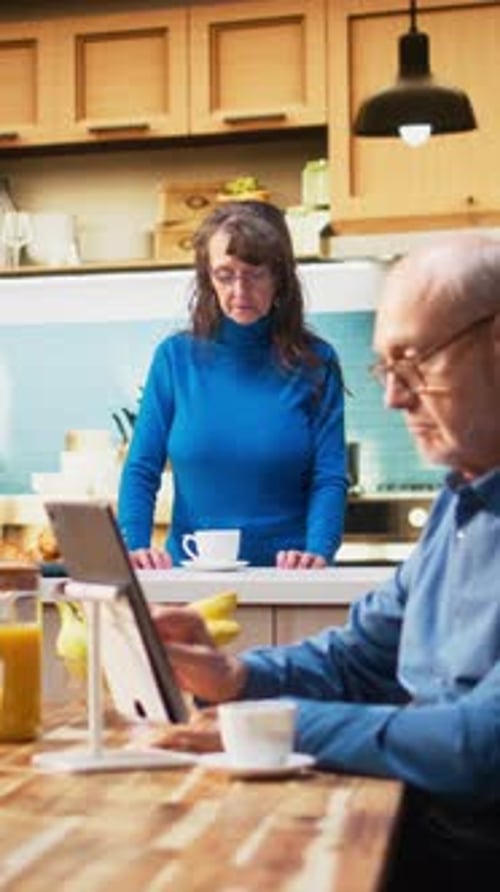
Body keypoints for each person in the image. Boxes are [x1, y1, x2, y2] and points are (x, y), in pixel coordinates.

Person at [150, 233, 500, 889]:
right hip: (414, 832)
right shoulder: (462, 500)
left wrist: (267, 726)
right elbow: (359, 659)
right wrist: (233, 676)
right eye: (385, 369)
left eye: (414, 362)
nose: (395, 398)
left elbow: (480, 747)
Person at [118, 200, 348, 570]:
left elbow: (329, 476)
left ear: (280, 277)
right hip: (192, 581)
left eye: (255, 273)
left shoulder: (317, 363)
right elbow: (142, 468)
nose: (240, 290)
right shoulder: (175, 359)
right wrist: (133, 548)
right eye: (225, 275)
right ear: (208, 277)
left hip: (287, 580)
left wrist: (318, 553)